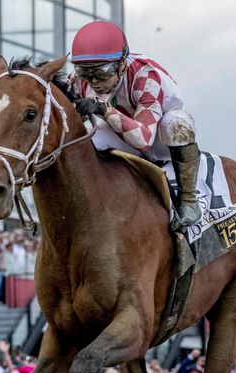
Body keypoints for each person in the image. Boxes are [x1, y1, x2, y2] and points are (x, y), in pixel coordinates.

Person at [66, 20, 202, 227]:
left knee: (177, 123)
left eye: (101, 72)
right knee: (80, 138)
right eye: (85, 72)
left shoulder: (145, 76)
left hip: (158, 137)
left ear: (122, 64)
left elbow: (144, 140)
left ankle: (189, 199)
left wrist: (103, 108)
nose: (93, 81)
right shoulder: (76, 81)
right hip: (117, 131)